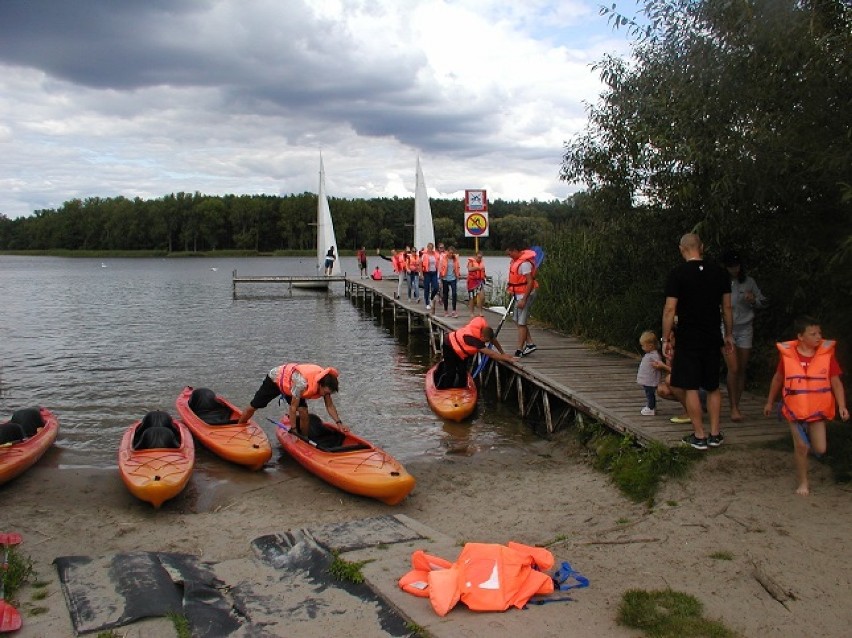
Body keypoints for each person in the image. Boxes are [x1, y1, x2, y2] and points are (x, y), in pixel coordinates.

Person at [661, 233, 733, 450]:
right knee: (713, 386)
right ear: (701, 247)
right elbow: (727, 308)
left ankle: (699, 435)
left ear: (681, 249)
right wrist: (728, 334)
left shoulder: (677, 274)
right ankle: (715, 433)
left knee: (691, 386)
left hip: (688, 337)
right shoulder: (719, 273)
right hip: (712, 335)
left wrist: (666, 338)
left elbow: (670, 308)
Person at [763, 316, 848, 496]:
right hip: (795, 409)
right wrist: (770, 402)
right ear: (800, 337)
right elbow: (778, 379)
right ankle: (803, 483)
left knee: (820, 449)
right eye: (813, 334)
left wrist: (842, 406)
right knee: (802, 446)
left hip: (817, 409)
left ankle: (809, 444)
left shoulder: (827, 357)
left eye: (820, 333)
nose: (819, 337)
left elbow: (836, 383)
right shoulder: (788, 357)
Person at [238, 362, 345, 437]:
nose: (326, 395)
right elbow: (293, 408)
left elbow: (329, 406)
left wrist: (339, 423)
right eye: (326, 392)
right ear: (320, 385)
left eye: (328, 393)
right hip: (275, 380)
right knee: (254, 406)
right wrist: (293, 429)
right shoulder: (302, 383)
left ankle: (304, 438)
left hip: (292, 385)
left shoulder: (326, 384)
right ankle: (239, 426)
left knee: (303, 411)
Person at [722, 249, 767, 422]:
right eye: (731, 266)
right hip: (726, 328)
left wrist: (753, 300)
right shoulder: (722, 283)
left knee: (741, 368)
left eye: (737, 266)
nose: (734, 269)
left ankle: (737, 405)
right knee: (733, 367)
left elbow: (763, 301)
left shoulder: (749, 282)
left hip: (745, 328)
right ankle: (733, 408)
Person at [436, 316, 517, 389]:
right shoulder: (474, 340)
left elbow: (493, 340)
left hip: (461, 350)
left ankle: (461, 389)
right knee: (451, 372)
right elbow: (492, 354)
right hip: (449, 346)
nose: (486, 343)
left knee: (463, 371)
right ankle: (444, 389)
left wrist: (502, 353)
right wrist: (507, 359)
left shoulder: (485, 329)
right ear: (482, 337)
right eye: (486, 341)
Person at [505, 242, 539, 357]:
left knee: (521, 322)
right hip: (518, 294)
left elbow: (530, 282)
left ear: (515, 250)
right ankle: (530, 344)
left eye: (510, 254)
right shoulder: (516, 262)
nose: (509, 256)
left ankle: (519, 350)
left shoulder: (524, 264)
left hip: (526, 294)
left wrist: (524, 299)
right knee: (516, 319)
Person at [637, 330, 665, 416]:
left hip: (650, 380)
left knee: (650, 394)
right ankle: (651, 406)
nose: (642, 348)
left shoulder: (654, 355)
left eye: (643, 346)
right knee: (648, 393)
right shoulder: (650, 354)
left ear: (650, 345)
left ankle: (651, 407)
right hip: (647, 379)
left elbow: (659, 364)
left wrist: (658, 365)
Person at [439, 246, 461, 317]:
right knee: (446, 294)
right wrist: (440, 278)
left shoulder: (455, 259)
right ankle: (446, 311)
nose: (451, 254)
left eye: (452, 253)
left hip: (453, 278)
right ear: (447, 252)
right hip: (445, 278)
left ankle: (454, 311)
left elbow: (457, 267)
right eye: (450, 252)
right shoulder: (443, 259)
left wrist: (458, 275)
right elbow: (440, 268)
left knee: (454, 293)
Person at [420, 242, 440, 312]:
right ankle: (427, 303)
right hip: (427, 273)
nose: (430, 249)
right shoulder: (424, 255)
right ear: (427, 248)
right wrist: (421, 274)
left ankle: (431, 297)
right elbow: (420, 264)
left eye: (431, 248)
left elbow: (439, 262)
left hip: (434, 273)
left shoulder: (436, 255)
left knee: (436, 287)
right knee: (427, 288)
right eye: (429, 248)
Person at [466, 251, 486, 316]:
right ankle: (472, 312)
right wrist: (477, 268)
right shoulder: (471, 262)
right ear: (475, 256)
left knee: (482, 296)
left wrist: (484, 275)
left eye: (481, 257)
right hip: (472, 281)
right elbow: (469, 269)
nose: (479, 259)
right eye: (478, 257)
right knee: (472, 297)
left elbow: (483, 270)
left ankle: (480, 311)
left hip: (480, 281)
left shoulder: (482, 263)